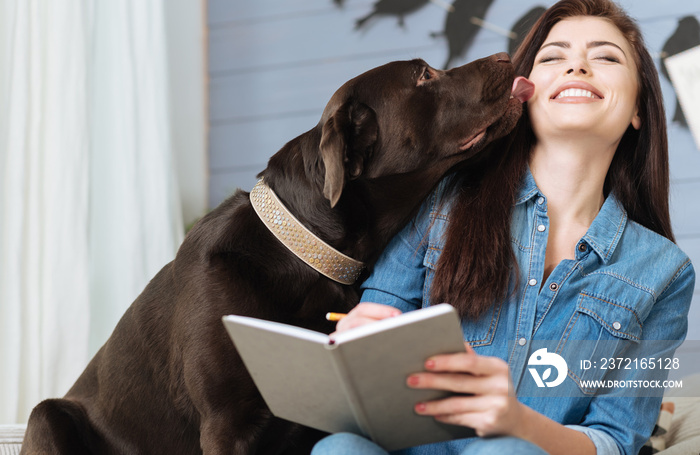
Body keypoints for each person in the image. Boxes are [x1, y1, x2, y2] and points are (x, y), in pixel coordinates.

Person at [311, 0, 695, 454]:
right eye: (553, 57)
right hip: (413, 445)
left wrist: (517, 422)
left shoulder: (664, 271)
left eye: (606, 56)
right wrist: (358, 337)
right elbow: (370, 338)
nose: (577, 65)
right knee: (341, 447)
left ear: (637, 108)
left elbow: (614, 440)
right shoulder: (443, 201)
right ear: (524, 94)